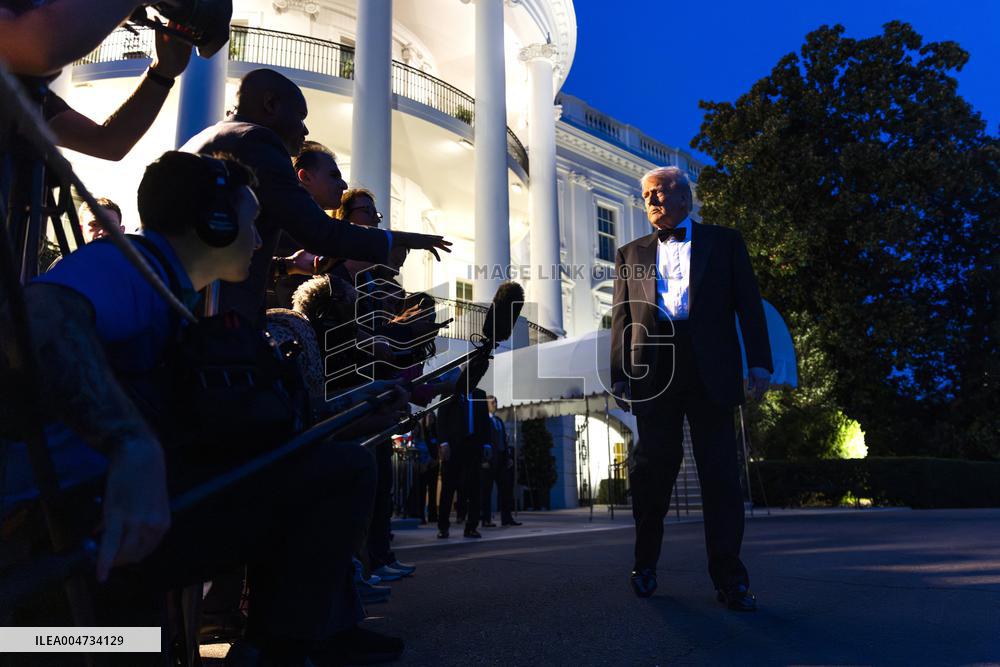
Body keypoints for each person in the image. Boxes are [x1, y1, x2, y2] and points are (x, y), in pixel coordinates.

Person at [1, 151, 405, 664]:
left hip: (116, 524)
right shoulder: (131, 265)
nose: (261, 240)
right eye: (250, 222)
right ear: (214, 223)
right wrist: (131, 444)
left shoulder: (173, 290)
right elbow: (37, 320)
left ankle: (274, 646)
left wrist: (354, 406)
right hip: (68, 532)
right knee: (340, 472)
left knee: (331, 464)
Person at [609, 166, 772, 610]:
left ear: (685, 198)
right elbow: (622, 319)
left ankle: (730, 579)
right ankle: (645, 565)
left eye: (658, 194)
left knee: (720, 474)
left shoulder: (725, 242)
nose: (651, 204)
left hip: (711, 367)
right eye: (646, 197)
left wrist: (759, 362)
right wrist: (620, 372)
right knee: (651, 473)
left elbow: (749, 306)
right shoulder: (630, 253)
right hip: (654, 366)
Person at [181, 68, 451, 325]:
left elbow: (223, 251)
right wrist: (400, 238)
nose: (305, 130)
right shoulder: (257, 139)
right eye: (300, 116)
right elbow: (319, 232)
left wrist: (287, 267)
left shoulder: (206, 138)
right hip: (212, 319)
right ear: (271, 104)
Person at [437, 388, 490, 539]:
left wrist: (487, 444)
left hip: (474, 446)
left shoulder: (480, 394)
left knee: (474, 489)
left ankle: (472, 527)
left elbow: (484, 420)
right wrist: (444, 442)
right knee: (448, 488)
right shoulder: (449, 392)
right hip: (453, 447)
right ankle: (443, 527)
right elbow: (442, 418)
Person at [480, 394, 520, 528]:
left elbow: (504, 440)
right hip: (489, 460)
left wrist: (508, 457)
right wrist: (483, 460)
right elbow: (481, 441)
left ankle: (506, 518)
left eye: (495, 402)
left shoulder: (499, 421)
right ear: (485, 405)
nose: (495, 405)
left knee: (506, 489)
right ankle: (486, 519)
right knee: (487, 490)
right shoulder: (483, 420)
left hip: (502, 459)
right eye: (492, 402)